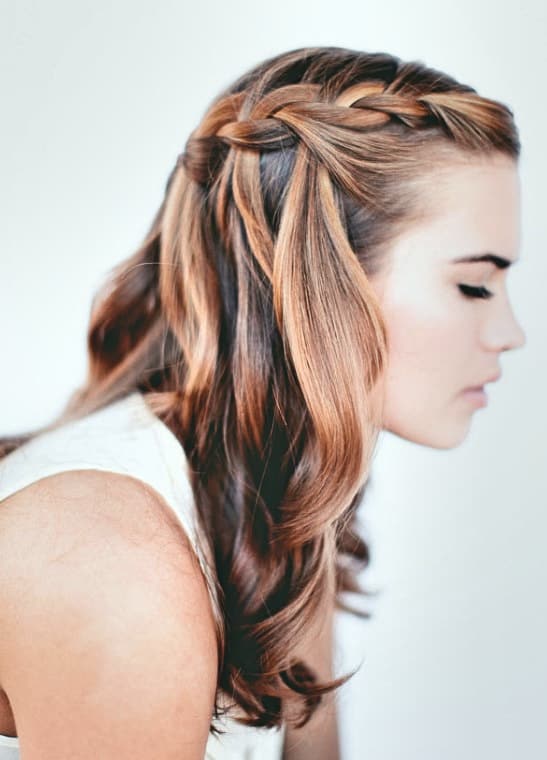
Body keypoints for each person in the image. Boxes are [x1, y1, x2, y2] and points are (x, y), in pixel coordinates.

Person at [0, 45, 525, 760]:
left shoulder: (278, 497)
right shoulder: (110, 561)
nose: (509, 333)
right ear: (319, 282)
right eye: (472, 285)